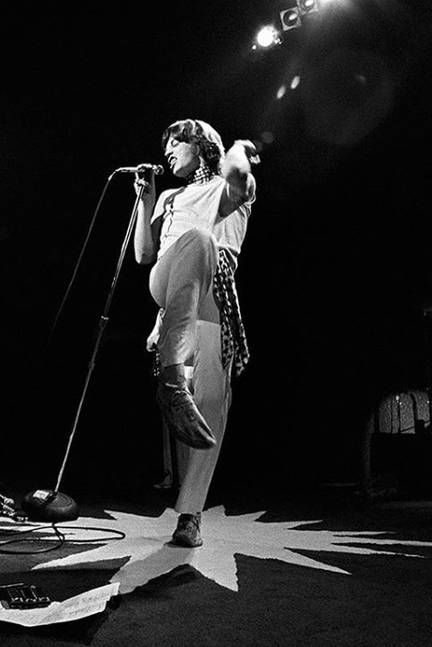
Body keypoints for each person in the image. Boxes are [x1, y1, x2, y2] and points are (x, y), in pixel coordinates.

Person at [133, 119, 258, 547]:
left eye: (175, 142)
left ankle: (189, 515)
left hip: (215, 298)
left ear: (201, 145)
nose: (167, 151)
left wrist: (238, 148)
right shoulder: (169, 196)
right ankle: (170, 377)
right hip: (168, 281)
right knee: (200, 240)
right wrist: (145, 201)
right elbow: (143, 254)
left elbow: (238, 180)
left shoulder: (229, 186)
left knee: (206, 407)